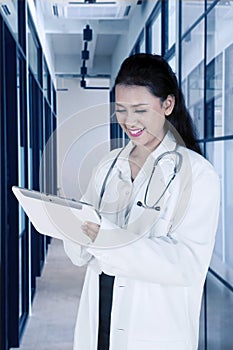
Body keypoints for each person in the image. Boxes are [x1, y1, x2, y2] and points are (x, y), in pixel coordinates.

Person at [63, 53, 220, 350]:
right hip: (99, 322)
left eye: (140, 110)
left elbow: (186, 264)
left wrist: (107, 240)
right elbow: (80, 252)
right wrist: (69, 222)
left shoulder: (197, 174)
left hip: (153, 332)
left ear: (167, 105)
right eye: (121, 109)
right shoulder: (109, 164)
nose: (128, 121)